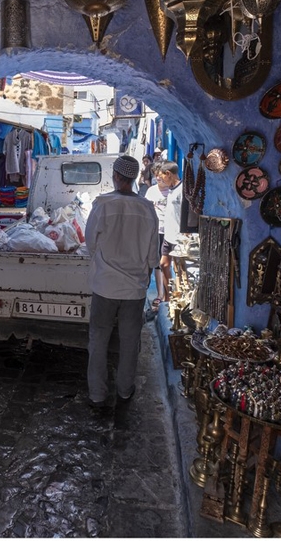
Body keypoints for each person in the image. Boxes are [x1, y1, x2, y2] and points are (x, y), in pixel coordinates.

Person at [84, 154, 159, 410]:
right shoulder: (148, 209)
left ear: (115, 176)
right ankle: (125, 390)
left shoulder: (103, 205)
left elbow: (90, 243)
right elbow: (153, 256)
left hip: (104, 286)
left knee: (98, 340)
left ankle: (97, 393)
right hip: (134, 291)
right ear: (135, 177)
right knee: (129, 342)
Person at [143, 170, 171, 307]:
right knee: (159, 263)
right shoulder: (151, 192)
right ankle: (161, 293)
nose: (159, 178)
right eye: (157, 175)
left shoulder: (173, 191)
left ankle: (170, 294)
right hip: (156, 230)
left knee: (173, 263)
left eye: (162, 175)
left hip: (171, 230)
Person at [158, 161, 183, 302]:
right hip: (168, 236)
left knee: (179, 270)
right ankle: (167, 297)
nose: (161, 181)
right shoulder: (171, 190)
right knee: (164, 265)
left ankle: (177, 299)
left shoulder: (182, 189)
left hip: (178, 237)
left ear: (168, 174)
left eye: (162, 177)